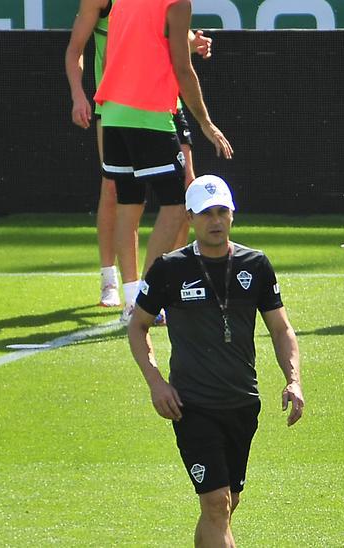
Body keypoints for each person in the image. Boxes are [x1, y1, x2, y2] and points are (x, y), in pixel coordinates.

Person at [127, 175, 304, 548]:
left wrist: (293, 379)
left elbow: (281, 329)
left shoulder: (255, 265)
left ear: (233, 215)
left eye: (222, 211)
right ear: (190, 217)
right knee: (216, 504)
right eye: (206, 213)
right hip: (192, 406)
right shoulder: (169, 269)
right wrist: (156, 382)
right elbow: (138, 326)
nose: (216, 220)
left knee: (227, 503)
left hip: (242, 403)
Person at [64, 0, 209, 308]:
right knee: (119, 192)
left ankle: (164, 285)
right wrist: (78, 96)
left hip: (162, 104)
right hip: (126, 106)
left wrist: (191, 40)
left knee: (182, 190)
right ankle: (118, 283)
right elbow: (75, 49)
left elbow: (163, 36)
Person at [94, 0, 233, 323]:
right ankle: (147, 298)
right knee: (176, 204)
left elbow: (145, 41)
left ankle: (132, 302)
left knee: (129, 205)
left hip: (113, 113)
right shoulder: (178, 4)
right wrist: (206, 123)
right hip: (149, 115)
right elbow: (183, 69)